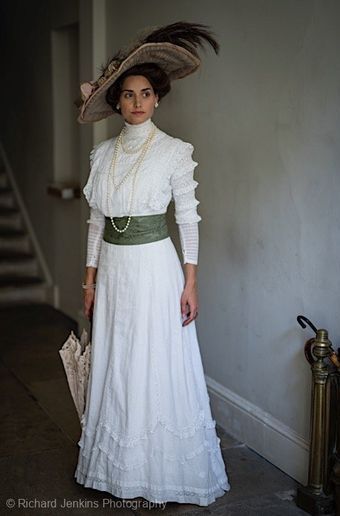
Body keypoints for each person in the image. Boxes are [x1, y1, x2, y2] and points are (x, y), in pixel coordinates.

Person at [74, 21, 231, 506]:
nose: (137, 102)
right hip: (116, 274)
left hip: (156, 269)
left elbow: (188, 219)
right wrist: (89, 280)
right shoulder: (102, 155)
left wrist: (191, 282)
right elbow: (96, 222)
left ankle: (162, 472)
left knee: (155, 362)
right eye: (128, 94)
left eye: (145, 93)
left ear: (157, 99)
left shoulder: (174, 152)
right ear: (116, 103)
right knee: (119, 362)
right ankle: (115, 470)